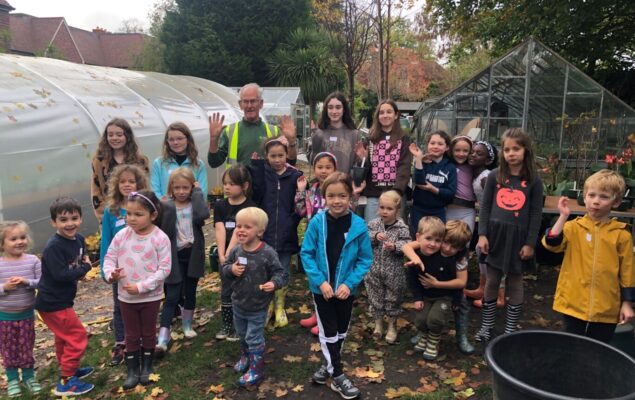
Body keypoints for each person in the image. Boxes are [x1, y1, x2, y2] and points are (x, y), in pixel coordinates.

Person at [301, 172, 372, 400]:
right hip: (322, 290)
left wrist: (349, 284)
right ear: (324, 198)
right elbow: (307, 254)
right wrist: (320, 282)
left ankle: (327, 366)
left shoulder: (359, 225)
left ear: (350, 196)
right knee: (328, 332)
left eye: (342, 195)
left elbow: (364, 259)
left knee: (341, 331)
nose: (337, 200)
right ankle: (338, 376)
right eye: (331, 196)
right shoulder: (316, 223)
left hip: (344, 291)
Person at [542, 170, 635, 343]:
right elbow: (551, 243)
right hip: (573, 302)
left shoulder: (622, 234)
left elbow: (628, 271)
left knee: (597, 350)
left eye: (604, 197)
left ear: (616, 202)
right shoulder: (573, 228)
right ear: (584, 198)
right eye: (591, 195)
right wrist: (563, 216)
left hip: (606, 306)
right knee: (571, 346)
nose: (596, 201)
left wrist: (627, 303)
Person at [475, 128, 543, 342]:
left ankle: (510, 330)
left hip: (519, 239)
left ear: (525, 150)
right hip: (495, 237)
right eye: (507, 149)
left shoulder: (534, 180)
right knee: (492, 280)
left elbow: (535, 213)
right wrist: (482, 234)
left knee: (515, 282)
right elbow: (485, 207)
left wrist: (530, 243)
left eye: (516, 148)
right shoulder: (496, 176)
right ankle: (486, 327)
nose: (511, 153)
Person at [103, 190, 171, 389]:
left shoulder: (160, 238)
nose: (131, 219)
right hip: (125, 298)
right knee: (131, 334)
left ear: (153, 215)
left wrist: (142, 287)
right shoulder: (122, 236)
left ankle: (147, 368)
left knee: (149, 332)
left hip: (151, 297)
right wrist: (110, 275)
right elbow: (109, 258)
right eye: (128, 214)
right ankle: (132, 370)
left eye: (138, 214)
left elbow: (164, 269)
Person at [221, 207, 288, 387]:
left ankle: (256, 369)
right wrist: (231, 269)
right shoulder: (236, 251)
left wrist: (274, 283)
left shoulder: (267, 253)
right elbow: (225, 269)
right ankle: (246, 357)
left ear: (260, 231)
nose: (241, 230)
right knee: (242, 335)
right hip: (238, 303)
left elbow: (281, 274)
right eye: (238, 225)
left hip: (258, 306)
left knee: (254, 337)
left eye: (247, 227)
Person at [35, 197, 94, 396]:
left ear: (81, 218)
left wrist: (82, 268)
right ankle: (67, 381)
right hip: (52, 302)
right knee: (77, 336)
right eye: (63, 219)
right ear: (54, 222)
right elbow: (60, 275)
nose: (70, 223)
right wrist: (85, 269)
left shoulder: (78, 239)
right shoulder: (53, 247)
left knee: (64, 338)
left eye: (74, 218)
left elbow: (80, 259)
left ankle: (69, 370)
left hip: (62, 300)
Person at [248, 137, 303, 329]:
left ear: (287, 155)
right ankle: (268, 306)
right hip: (266, 233)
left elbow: (300, 204)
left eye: (281, 155)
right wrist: (255, 167)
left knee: (283, 269)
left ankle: (280, 306)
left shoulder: (295, 176)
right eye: (273, 156)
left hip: (287, 232)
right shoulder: (263, 174)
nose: (277, 159)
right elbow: (255, 194)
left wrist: (292, 219)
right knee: (265, 269)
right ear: (266, 156)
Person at [156, 168, 210, 357]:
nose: (181, 191)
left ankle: (187, 324)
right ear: (171, 187)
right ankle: (163, 336)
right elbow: (159, 229)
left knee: (190, 291)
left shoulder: (195, 204)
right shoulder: (167, 206)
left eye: (185, 187)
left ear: (191, 188)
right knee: (171, 295)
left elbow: (203, 215)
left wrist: (197, 193)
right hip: (173, 255)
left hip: (193, 253)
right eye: (177, 187)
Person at [99, 164, 149, 366]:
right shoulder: (111, 211)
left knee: (144, 304)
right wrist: (106, 269)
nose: (127, 185)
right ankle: (121, 343)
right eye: (122, 181)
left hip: (143, 267)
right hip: (120, 271)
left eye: (131, 181)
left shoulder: (146, 208)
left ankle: (143, 340)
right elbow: (106, 241)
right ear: (115, 185)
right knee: (120, 307)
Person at [402, 217, 468, 360]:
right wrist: (418, 297)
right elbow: (406, 247)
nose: (447, 248)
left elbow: (461, 283)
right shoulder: (429, 249)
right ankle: (424, 336)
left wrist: (438, 285)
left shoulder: (457, 258)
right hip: (426, 295)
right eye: (445, 242)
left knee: (435, 318)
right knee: (421, 319)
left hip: (445, 295)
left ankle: (434, 341)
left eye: (454, 246)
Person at [208, 83, 298, 168]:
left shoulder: (274, 131)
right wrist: (213, 140)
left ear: (261, 103)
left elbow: (290, 163)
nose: (249, 105)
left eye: (253, 101)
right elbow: (214, 163)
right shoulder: (229, 131)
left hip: (266, 184)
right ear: (240, 104)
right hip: (238, 183)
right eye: (246, 102)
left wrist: (291, 142)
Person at [296, 152, 338, 335]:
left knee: (330, 278)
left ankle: (327, 318)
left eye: (328, 167)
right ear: (314, 169)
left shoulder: (337, 189)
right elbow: (300, 211)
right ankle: (316, 311)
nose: (323, 171)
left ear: (335, 169)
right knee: (315, 277)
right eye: (320, 167)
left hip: (331, 241)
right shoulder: (312, 189)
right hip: (314, 240)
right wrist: (300, 191)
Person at [214, 165, 256, 341]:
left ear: (244, 185)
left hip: (243, 254)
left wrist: (229, 253)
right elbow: (219, 228)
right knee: (226, 290)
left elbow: (241, 233)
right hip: (225, 258)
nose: (227, 187)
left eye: (231, 184)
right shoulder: (220, 206)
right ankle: (226, 325)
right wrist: (222, 255)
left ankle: (242, 326)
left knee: (243, 289)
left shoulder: (250, 207)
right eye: (225, 183)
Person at [0, 221, 41, 397]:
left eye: (22, 237)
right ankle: (12, 380)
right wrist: (4, 288)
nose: (19, 242)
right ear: (2, 243)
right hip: (4, 317)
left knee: (26, 346)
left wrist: (27, 282)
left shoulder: (32, 261)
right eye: (13, 239)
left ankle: (29, 377)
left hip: (27, 315)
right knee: (8, 349)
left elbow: (43, 282)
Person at [365, 190, 411, 344]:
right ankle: (378, 325)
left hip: (394, 271)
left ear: (397, 211)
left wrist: (396, 246)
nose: (384, 211)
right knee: (375, 296)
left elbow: (408, 244)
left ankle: (392, 326)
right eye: (382, 207)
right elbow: (364, 238)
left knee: (393, 298)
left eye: (389, 209)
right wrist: (375, 236)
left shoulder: (401, 228)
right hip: (374, 269)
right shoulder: (373, 224)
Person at [355, 100, 412, 222]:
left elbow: (404, 166)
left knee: (396, 232)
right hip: (374, 195)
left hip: (396, 195)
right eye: (381, 112)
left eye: (389, 112)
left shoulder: (404, 139)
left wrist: (397, 191)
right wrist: (363, 159)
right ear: (378, 116)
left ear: (396, 115)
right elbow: (363, 170)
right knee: (372, 231)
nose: (385, 115)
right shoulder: (370, 139)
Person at [91, 118, 149, 222]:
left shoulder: (141, 161)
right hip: (111, 215)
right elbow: (96, 191)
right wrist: (104, 217)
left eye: (119, 134)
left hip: (137, 215)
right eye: (110, 135)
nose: (114, 138)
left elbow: (146, 190)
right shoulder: (99, 162)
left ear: (127, 136)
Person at [464, 141, 499, 308]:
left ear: (487, 160)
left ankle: (498, 296)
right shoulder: (476, 174)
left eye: (479, 154)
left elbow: (495, 203)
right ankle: (482, 287)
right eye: (472, 152)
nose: (473, 155)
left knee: (490, 255)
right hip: (484, 219)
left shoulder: (486, 177)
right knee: (480, 252)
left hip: (493, 221)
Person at [409, 131, 457, 237]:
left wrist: (433, 189)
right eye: (432, 143)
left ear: (447, 147)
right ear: (427, 145)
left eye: (440, 144)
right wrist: (419, 158)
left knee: (436, 239)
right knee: (418, 238)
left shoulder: (450, 167)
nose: (435, 146)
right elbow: (419, 181)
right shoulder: (422, 162)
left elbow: (450, 193)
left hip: (438, 211)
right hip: (418, 209)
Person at [150, 122, 208, 199]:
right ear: (167, 142)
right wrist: (166, 206)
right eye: (171, 139)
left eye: (179, 138)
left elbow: (202, 192)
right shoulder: (159, 163)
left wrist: (187, 207)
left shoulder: (198, 164)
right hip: (166, 209)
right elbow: (155, 191)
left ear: (188, 139)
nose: (175, 142)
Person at [310, 92, 359, 174]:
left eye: (338, 107)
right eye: (330, 107)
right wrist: (315, 144)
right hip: (325, 184)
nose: (334, 111)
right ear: (326, 110)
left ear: (344, 110)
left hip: (345, 184)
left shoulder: (354, 134)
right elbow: (312, 162)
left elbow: (358, 164)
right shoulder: (319, 133)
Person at [446, 136, 476, 232]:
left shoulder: (473, 167)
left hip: (468, 211)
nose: (461, 154)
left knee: (465, 240)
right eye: (457, 150)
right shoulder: (447, 165)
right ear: (451, 151)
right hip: (448, 210)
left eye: (465, 151)